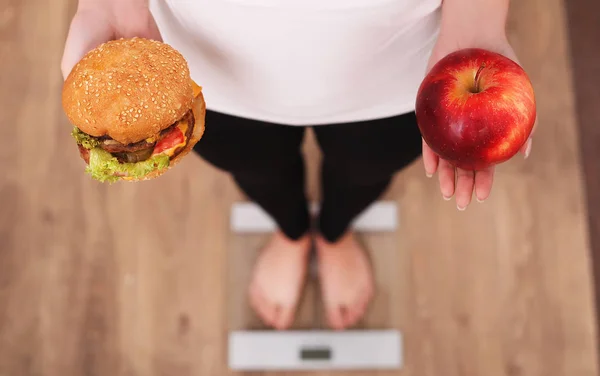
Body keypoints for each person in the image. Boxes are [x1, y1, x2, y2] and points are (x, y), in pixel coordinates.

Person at [61, 0, 533, 331]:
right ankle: (291, 231)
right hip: (211, 64)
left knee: (367, 166)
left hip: (400, 66)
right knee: (252, 164)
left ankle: (334, 232)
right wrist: (108, 5)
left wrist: (477, 16)